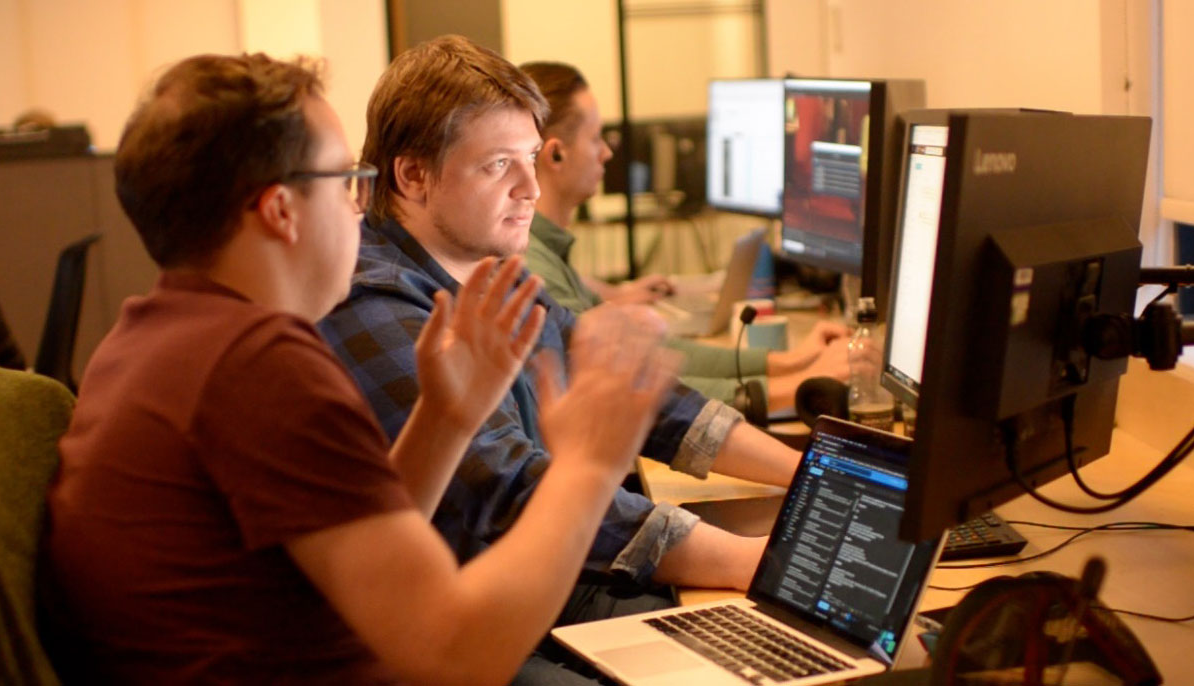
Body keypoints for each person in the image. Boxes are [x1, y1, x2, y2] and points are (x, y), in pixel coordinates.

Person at [41, 52, 680, 685]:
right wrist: (588, 466)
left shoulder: (149, 338)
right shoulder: (255, 363)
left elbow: (372, 559)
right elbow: (454, 655)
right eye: (347, 179)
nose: (359, 208)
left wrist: (444, 418)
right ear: (281, 210)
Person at [320, 33, 810, 634]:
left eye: (531, 157)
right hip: (490, 626)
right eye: (498, 164)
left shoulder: (486, 266)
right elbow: (512, 489)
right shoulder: (374, 304)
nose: (530, 188)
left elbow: (636, 392)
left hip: (552, 587)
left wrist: (804, 475)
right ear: (413, 175)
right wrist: (747, 562)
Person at [518, 61, 852, 412]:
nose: (607, 152)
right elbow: (638, 388)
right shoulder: (535, 267)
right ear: (556, 154)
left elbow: (654, 354)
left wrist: (790, 362)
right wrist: (799, 386)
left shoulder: (549, 255)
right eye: (595, 138)